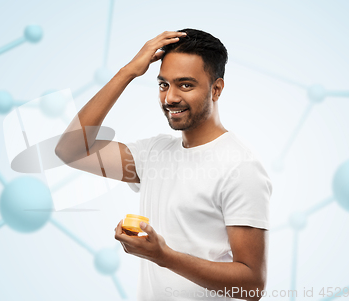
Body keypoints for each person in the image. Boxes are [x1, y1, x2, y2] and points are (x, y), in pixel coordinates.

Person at [55, 29, 272, 301]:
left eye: (186, 85)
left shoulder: (240, 167)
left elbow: (251, 286)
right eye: (163, 85)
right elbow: (70, 150)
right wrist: (127, 73)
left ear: (216, 89)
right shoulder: (154, 153)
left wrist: (163, 256)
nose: (170, 98)